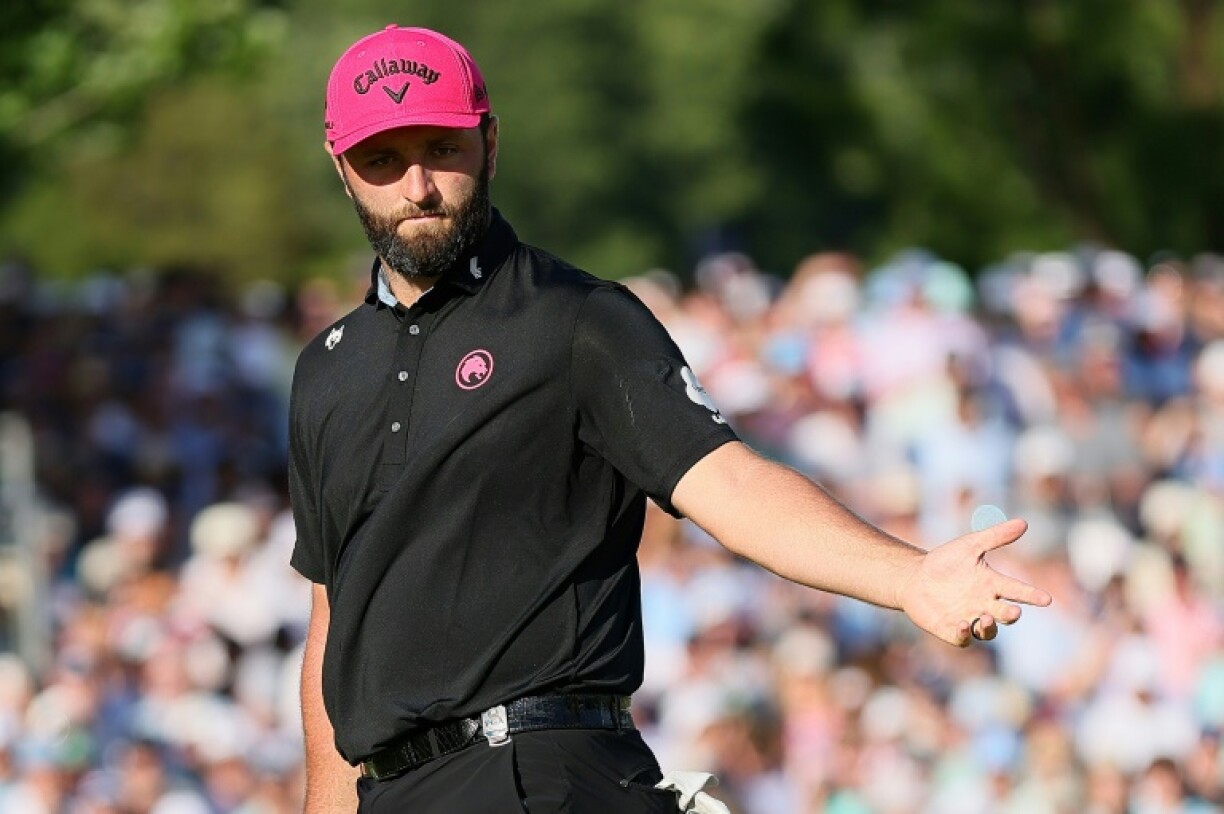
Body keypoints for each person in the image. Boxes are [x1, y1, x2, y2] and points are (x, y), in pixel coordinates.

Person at [289, 24, 1053, 814]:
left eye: (441, 150)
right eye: (383, 160)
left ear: (489, 141)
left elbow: (725, 481)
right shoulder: (324, 370)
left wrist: (908, 575)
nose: (416, 187)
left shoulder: (577, 320)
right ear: (342, 169)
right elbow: (334, 617)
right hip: (392, 793)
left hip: (539, 773)